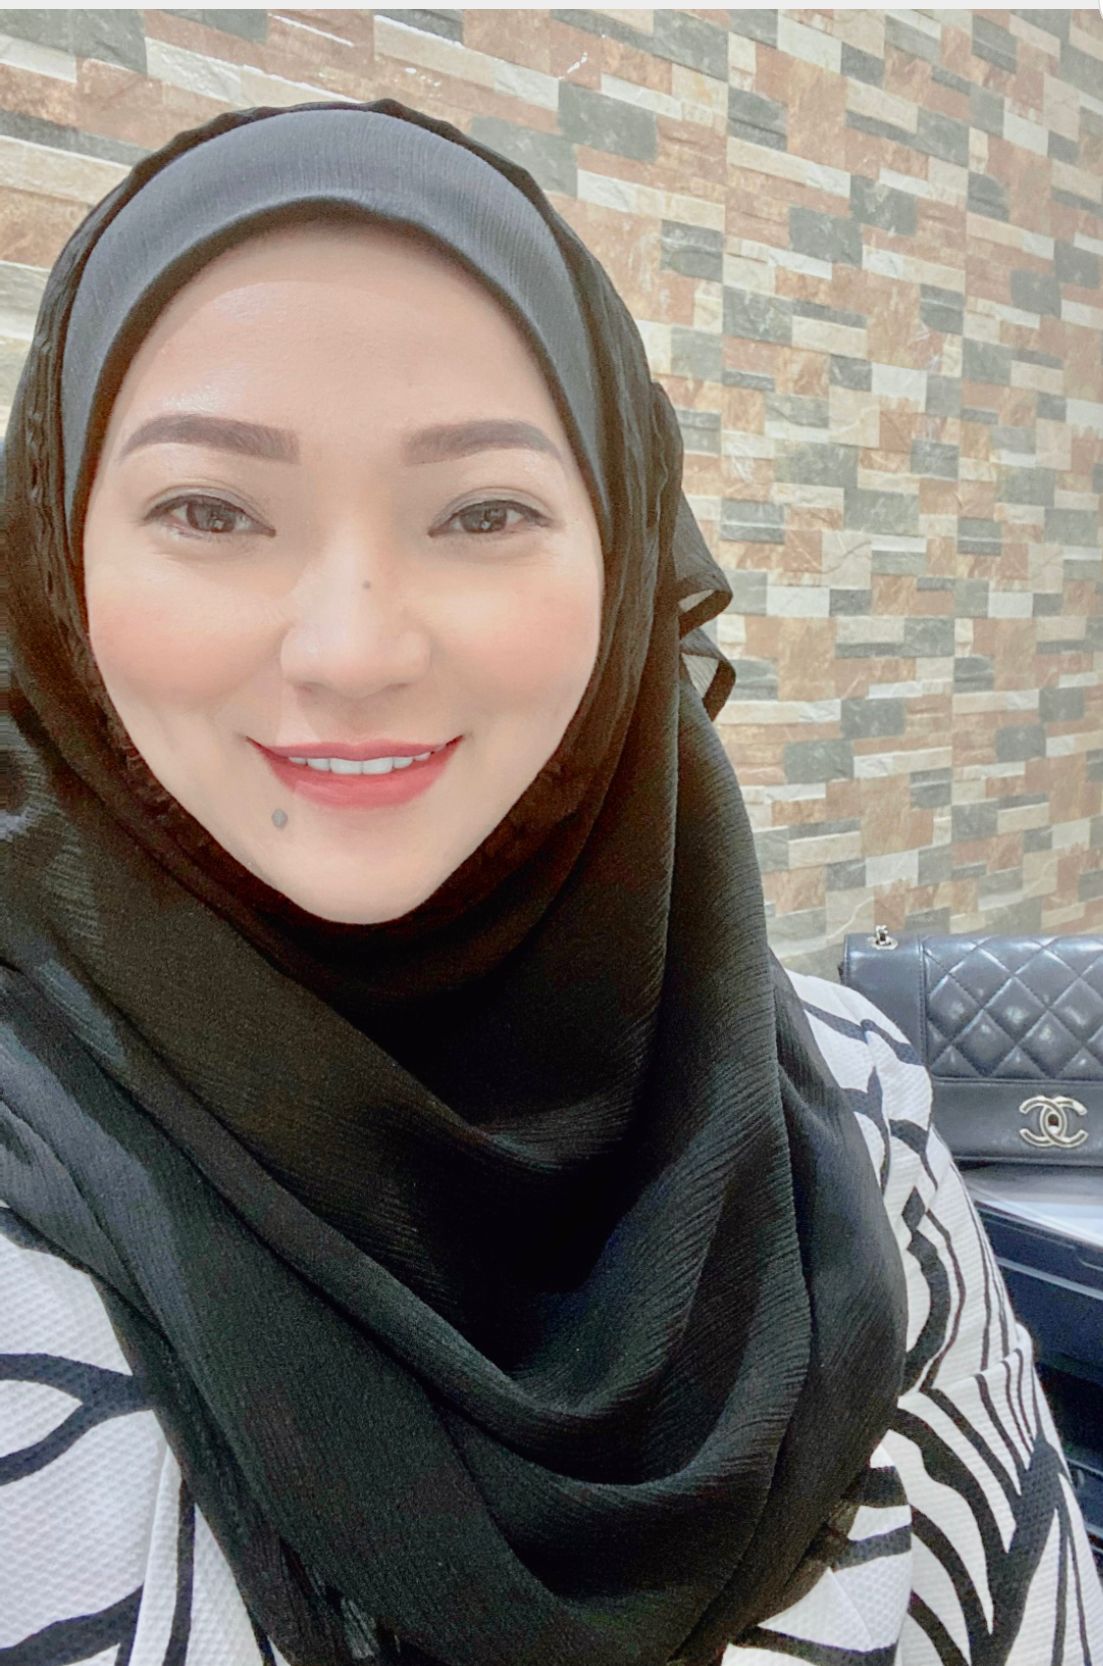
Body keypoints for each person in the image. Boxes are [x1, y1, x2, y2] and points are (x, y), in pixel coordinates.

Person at [0, 97, 1099, 1666]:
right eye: (210, 510)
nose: (353, 648)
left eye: (485, 510)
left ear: (624, 547)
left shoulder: (851, 1108)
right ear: (55, 555)